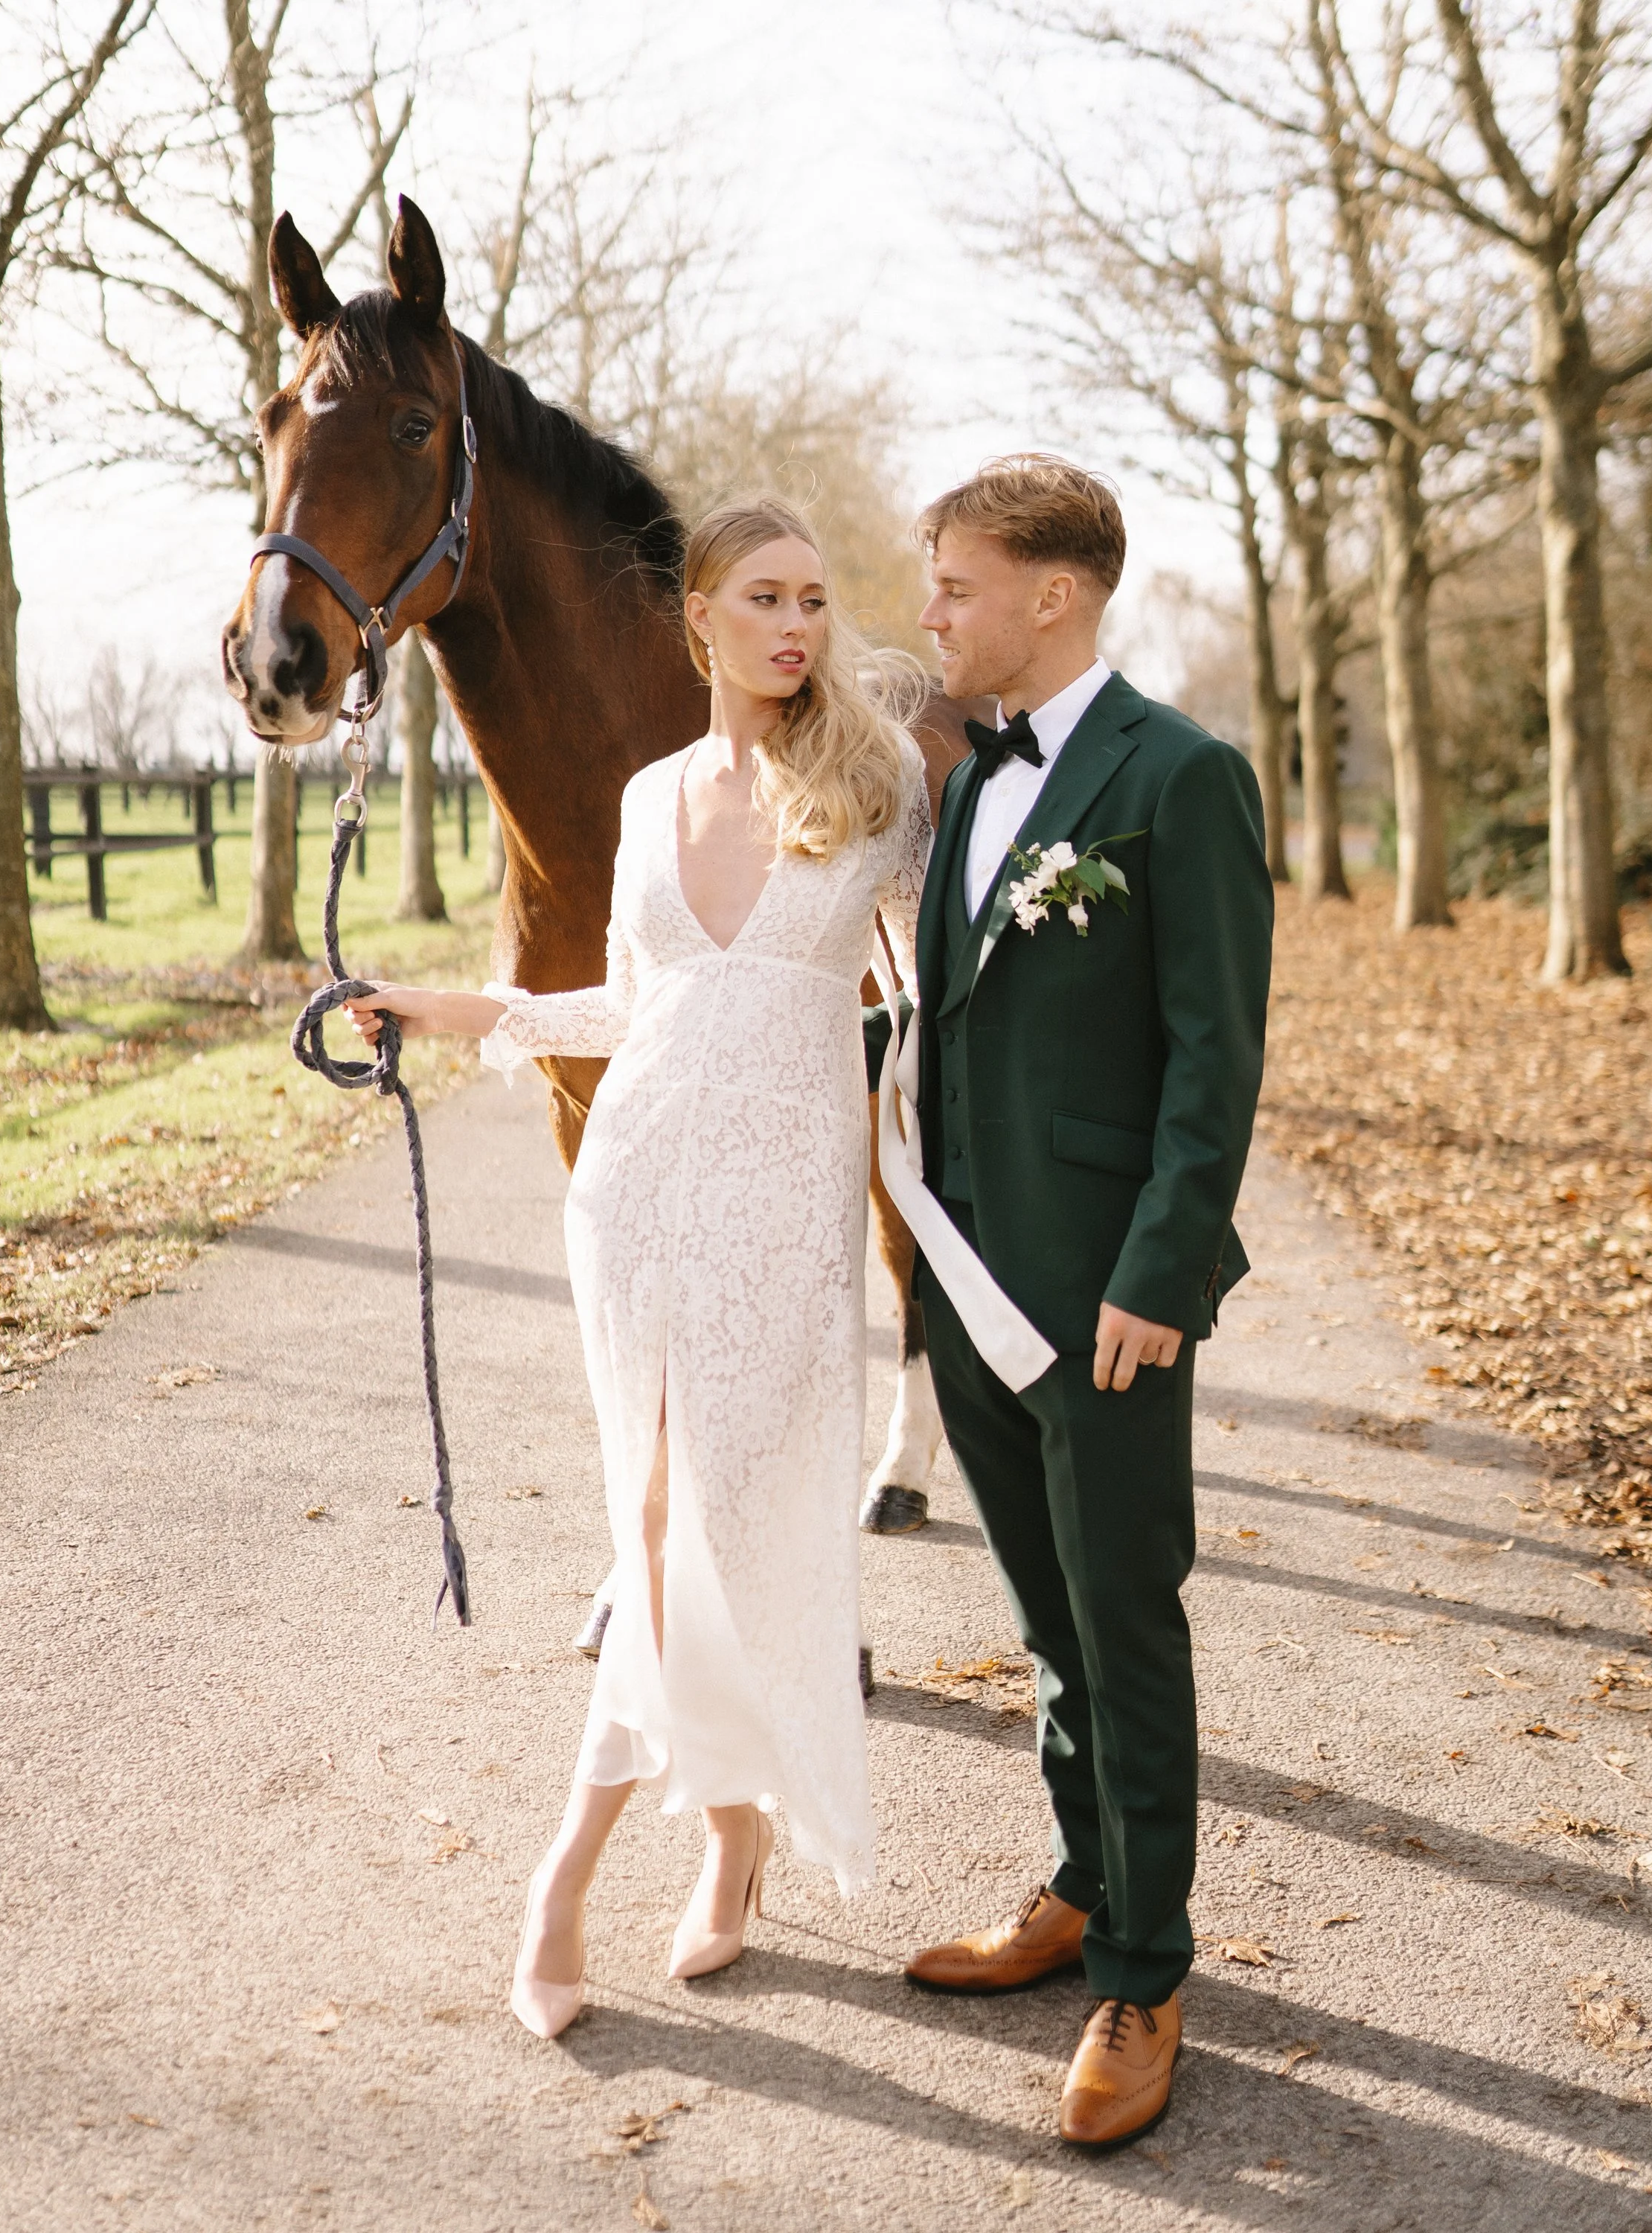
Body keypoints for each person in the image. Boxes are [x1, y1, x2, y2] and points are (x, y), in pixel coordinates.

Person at [345, 498, 932, 2038]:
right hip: (637, 1197)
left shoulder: (880, 793)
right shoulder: (655, 792)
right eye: (765, 597)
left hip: (787, 1216)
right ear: (702, 622)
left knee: (704, 1529)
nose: (797, 624)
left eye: (814, 597)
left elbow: (942, 1004)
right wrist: (448, 1008)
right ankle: (730, 1844)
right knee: (663, 1522)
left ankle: (566, 1876)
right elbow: (626, 1008)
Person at [892, 456, 1272, 2149]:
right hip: (968, 1278)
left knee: (1124, 1623)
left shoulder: (1181, 779)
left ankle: (1143, 1964)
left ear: (1056, 595)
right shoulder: (970, 787)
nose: (933, 615)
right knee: (1045, 1618)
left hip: (1107, 1299)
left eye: (958, 587)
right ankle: (1074, 1881)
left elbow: (1217, 1058)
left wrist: (1160, 1276)